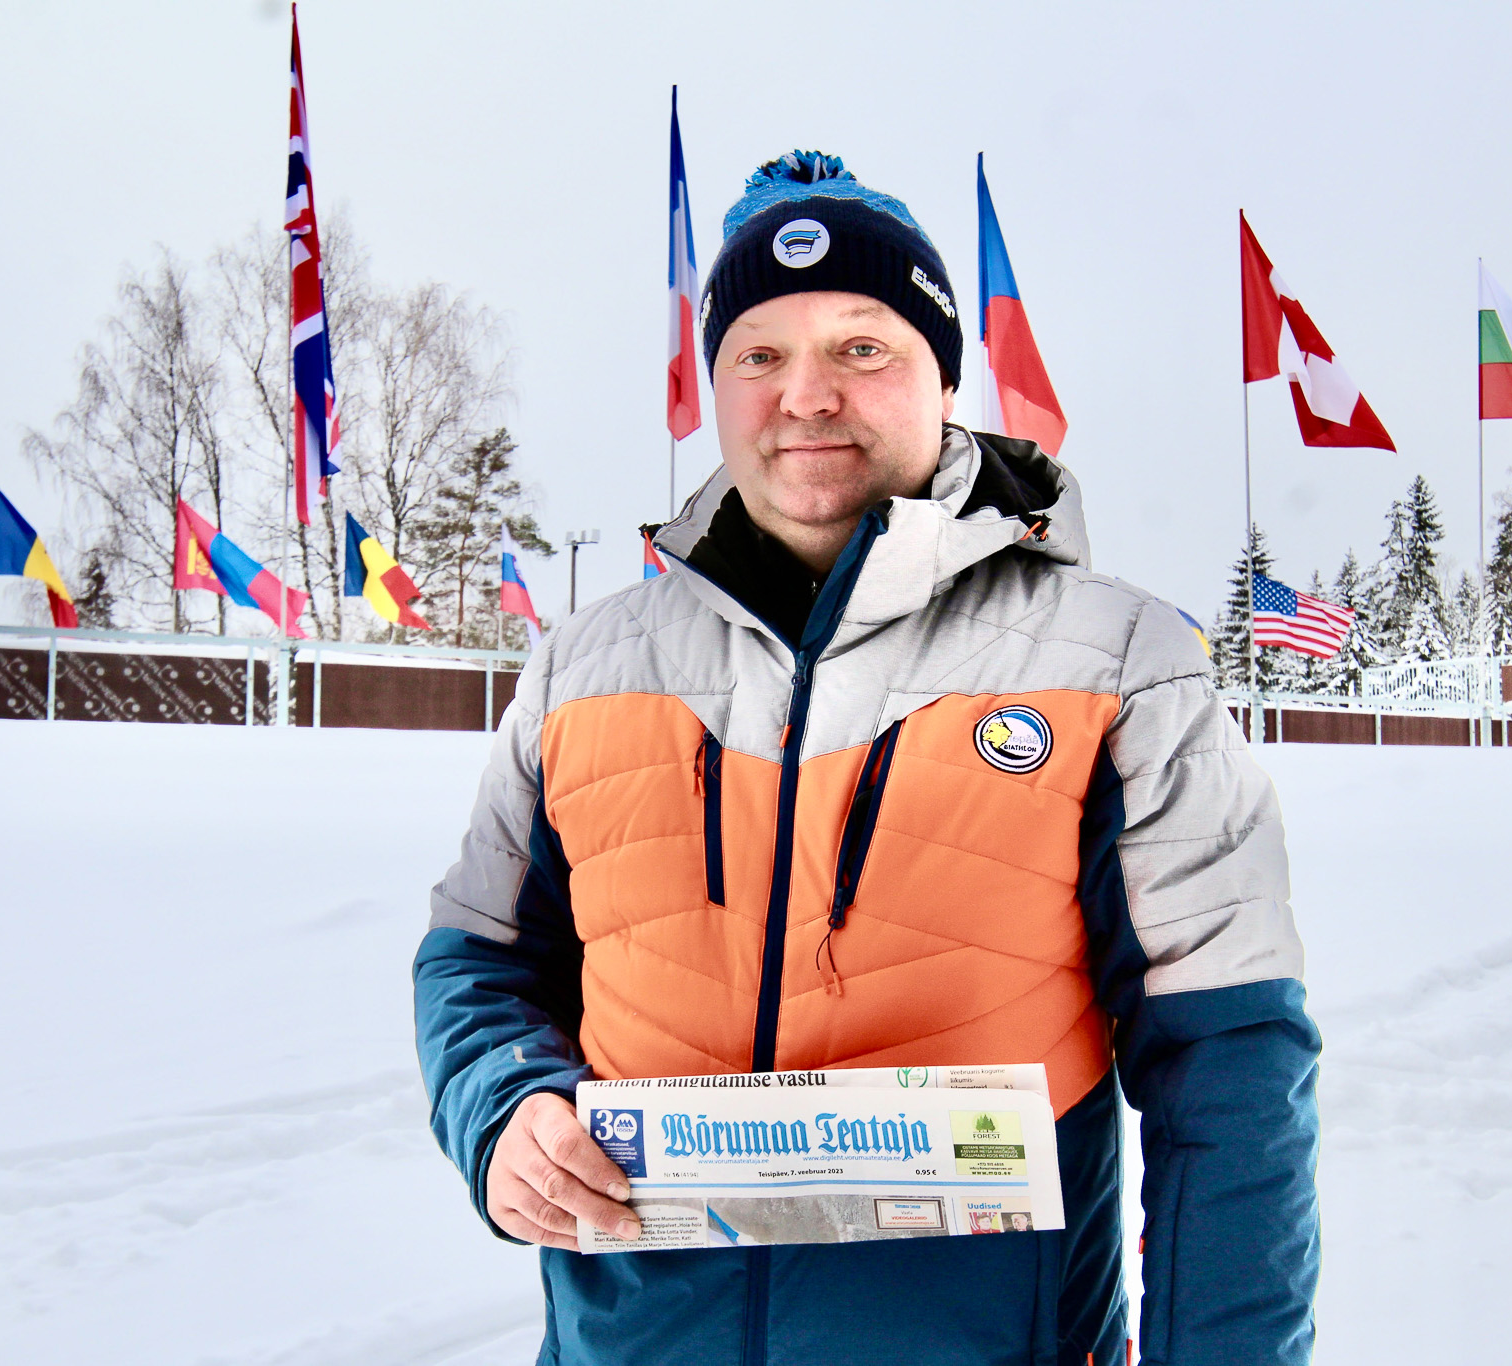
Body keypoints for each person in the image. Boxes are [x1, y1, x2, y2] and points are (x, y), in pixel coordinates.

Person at [415, 150, 1320, 1366]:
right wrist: (503, 1107)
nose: (806, 396)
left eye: (861, 347)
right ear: (716, 385)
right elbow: (478, 961)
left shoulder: (1118, 664)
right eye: (759, 354)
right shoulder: (583, 666)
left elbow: (1229, 1073)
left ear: (942, 381)